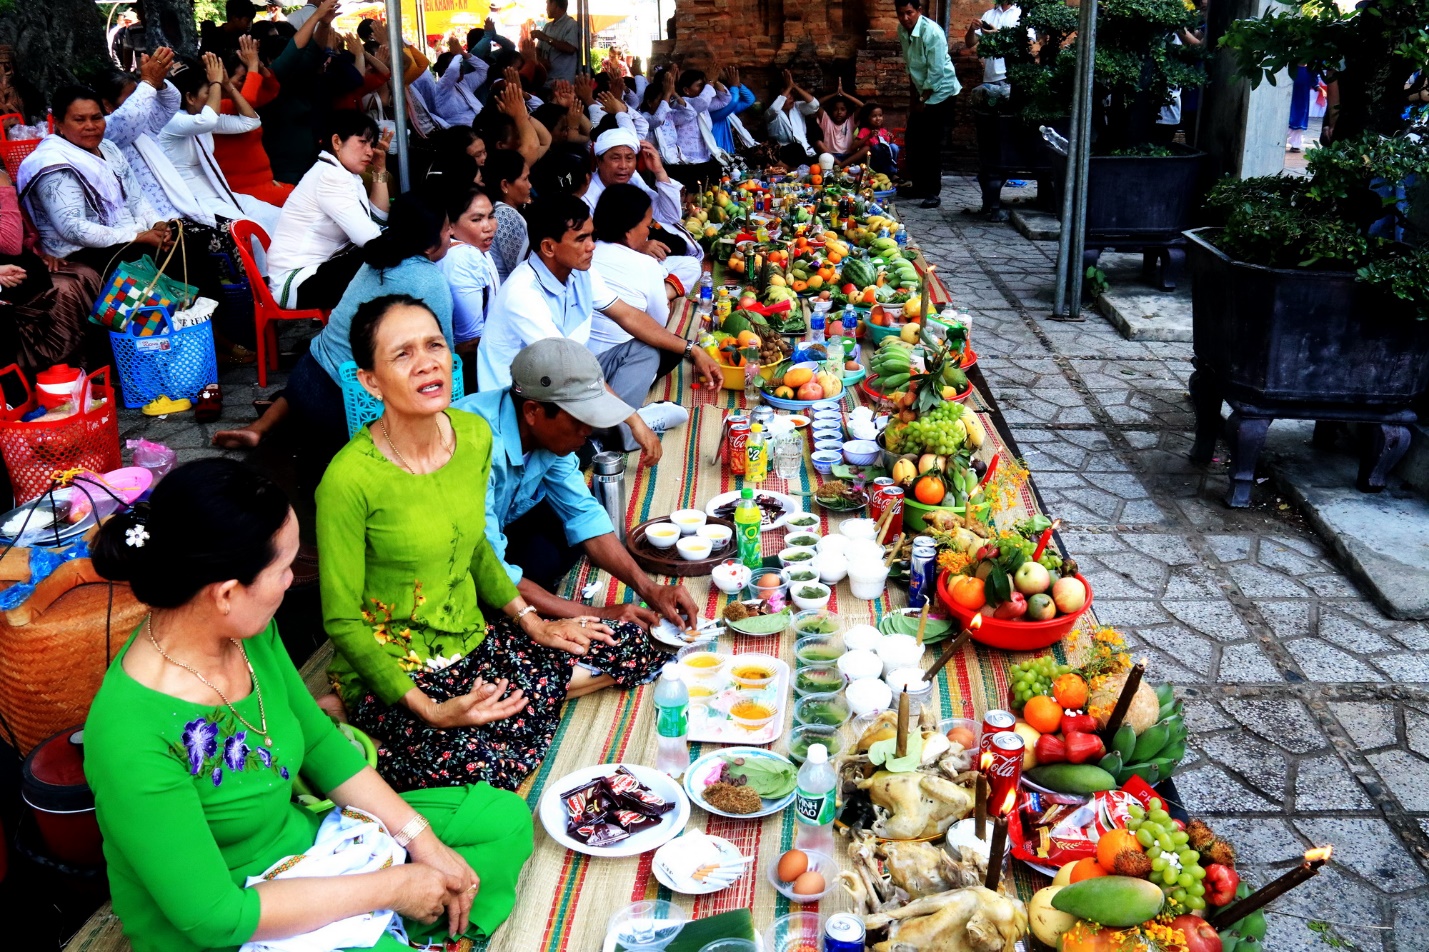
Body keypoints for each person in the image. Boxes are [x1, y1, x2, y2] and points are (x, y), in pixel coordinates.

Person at [84, 458, 532, 951]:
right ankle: (396, 926)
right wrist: (394, 887)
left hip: (305, 848)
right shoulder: (130, 733)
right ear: (228, 593)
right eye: (283, 569)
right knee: (416, 895)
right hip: (233, 916)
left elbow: (319, 743)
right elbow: (213, 917)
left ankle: (401, 923)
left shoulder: (245, 634)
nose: (293, 580)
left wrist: (422, 843)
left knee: (499, 820)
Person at [317, 294, 666, 791]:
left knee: (636, 645)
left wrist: (535, 625)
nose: (426, 363)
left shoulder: (470, 436)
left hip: (473, 637)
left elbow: (479, 548)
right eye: (402, 354)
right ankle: (354, 711)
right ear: (369, 381)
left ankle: (522, 691)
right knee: (483, 769)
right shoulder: (348, 480)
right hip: (405, 663)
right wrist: (432, 712)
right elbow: (342, 620)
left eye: (434, 345)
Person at [454, 337, 700, 625]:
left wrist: (650, 589)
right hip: (455, 557)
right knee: (498, 595)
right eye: (578, 419)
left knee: (564, 536)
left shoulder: (547, 437)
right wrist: (598, 614)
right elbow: (490, 568)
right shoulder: (471, 445)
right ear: (533, 412)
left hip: (499, 527)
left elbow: (582, 513)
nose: (589, 429)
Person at [477, 195, 720, 458]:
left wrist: (692, 350)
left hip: (569, 376)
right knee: (564, 452)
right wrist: (633, 420)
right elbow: (569, 370)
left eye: (592, 236)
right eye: (581, 239)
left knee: (649, 349)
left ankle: (608, 433)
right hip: (530, 400)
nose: (592, 246)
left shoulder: (580, 271)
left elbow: (629, 316)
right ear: (548, 247)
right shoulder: (522, 293)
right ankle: (623, 429)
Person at [214, 191, 451, 458]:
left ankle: (261, 427)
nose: (450, 233)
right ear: (431, 243)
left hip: (304, 379)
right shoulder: (429, 280)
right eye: (446, 228)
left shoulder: (378, 258)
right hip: (346, 406)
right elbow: (446, 361)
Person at [266, 109, 393, 310]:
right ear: (336, 142)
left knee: (389, 256)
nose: (370, 151)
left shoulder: (343, 173)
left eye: (372, 144)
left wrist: (379, 171)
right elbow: (370, 240)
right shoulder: (330, 176)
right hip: (298, 282)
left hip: (320, 270)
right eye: (362, 142)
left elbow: (378, 218)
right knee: (386, 260)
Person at [159, 52, 283, 243]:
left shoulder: (200, 117)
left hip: (219, 193)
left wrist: (227, 85)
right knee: (251, 232)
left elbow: (250, 122)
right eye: (209, 93)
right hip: (193, 202)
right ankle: (263, 274)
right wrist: (216, 82)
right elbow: (207, 120)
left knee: (278, 217)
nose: (214, 98)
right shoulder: (172, 120)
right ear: (190, 98)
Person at [582, 125, 703, 296]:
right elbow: (591, 247)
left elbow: (669, 215)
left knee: (691, 265)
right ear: (600, 161)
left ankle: (662, 294)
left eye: (629, 158)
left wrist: (659, 170)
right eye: (615, 158)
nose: (623, 166)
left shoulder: (632, 180)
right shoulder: (587, 196)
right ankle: (649, 298)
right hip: (609, 267)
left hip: (641, 258)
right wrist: (637, 247)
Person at [0, 165, 97, 374]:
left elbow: (23, 235)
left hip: (16, 264)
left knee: (84, 274)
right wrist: (3, 187)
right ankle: (53, 373)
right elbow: (8, 243)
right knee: (64, 289)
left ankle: (88, 369)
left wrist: (39, 254)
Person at [590, 184, 678, 368]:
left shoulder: (585, 255)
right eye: (647, 226)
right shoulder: (646, 265)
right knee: (672, 348)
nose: (649, 231)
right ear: (629, 231)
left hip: (581, 357)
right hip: (620, 362)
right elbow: (657, 324)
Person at [211, 36, 293, 207]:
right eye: (242, 79)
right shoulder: (215, 109)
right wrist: (253, 65)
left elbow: (272, 90)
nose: (247, 82)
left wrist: (259, 67)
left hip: (265, 185)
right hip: (246, 194)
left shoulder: (239, 103)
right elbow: (248, 101)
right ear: (224, 80)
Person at [897, 0, 962, 209]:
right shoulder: (902, 30)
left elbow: (936, 73)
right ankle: (918, 186)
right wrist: (913, 100)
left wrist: (922, 100)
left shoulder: (933, 33)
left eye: (909, 13)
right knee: (913, 139)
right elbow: (910, 67)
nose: (905, 18)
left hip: (942, 92)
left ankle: (933, 192)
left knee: (931, 144)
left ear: (919, 10)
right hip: (921, 90)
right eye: (901, 14)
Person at [440, 186, 500, 388]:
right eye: (476, 219)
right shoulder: (464, 257)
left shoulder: (475, 248)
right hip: (468, 370)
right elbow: (469, 341)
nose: (489, 226)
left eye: (491, 216)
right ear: (451, 226)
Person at [483, 149, 531, 283]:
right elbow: (520, 268)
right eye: (525, 179)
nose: (530, 185)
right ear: (505, 185)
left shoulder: (498, 210)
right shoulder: (505, 216)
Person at [964, 0, 1021, 106]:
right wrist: (972, 29)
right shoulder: (989, 14)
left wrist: (998, 34)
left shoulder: (1020, 13)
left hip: (1010, 75)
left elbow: (1029, 43)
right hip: (990, 75)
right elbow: (969, 43)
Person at [765, 69, 821, 168]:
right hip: (786, 153)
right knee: (796, 148)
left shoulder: (797, 107)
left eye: (791, 94)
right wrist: (789, 87)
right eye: (787, 95)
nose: (790, 97)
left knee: (822, 159)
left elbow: (815, 105)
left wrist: (793, 85)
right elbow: (774, 108)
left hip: (805, 151)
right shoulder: (770, 114)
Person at [839, 102, 900, 175]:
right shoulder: (864, 130)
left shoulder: (884, 131)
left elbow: (890, 151)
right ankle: (891, 173)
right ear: (867, 118)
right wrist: (868, 136)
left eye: (880, 115)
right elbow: (853, 147)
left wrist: (891, 139)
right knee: (873, 148)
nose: (878, 118)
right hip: (871, 163)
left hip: (885, 163)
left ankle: (892, 172)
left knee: (894, 147)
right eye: (874, 116)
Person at [707, 66, 757, 154]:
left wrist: (738, 85)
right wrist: (734, 86)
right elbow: (733, 101)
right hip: (723, 154)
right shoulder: (710, 112)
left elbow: (750, 100)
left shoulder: (730, 112)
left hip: (740, 150)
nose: (725, 92)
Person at [531, 0, 580, 84]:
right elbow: (538, 49)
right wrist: (540, 60)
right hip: (545, 81)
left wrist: (546, 38)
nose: (546, 8)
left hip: (562, 84)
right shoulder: (547, 26)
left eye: (548, 4)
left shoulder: (571, 24)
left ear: (555, 4)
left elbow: (571, 48)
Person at [814, 80, 865, 159]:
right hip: (831, 157)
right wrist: (835, 94)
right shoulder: (826, 121)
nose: (839, 112)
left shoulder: (850, 122)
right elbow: (815, 104)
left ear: (847, 111)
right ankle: (840, 165)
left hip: (848, 157)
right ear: (831, 110)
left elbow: (863, 106)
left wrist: (843, 94)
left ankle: (841, 165)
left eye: (842, 109)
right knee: (819, 144)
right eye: (835, 109)